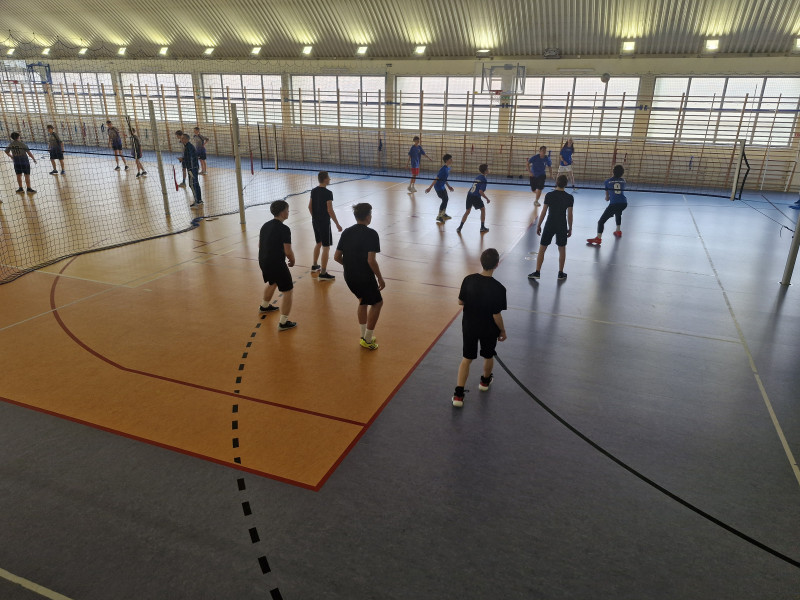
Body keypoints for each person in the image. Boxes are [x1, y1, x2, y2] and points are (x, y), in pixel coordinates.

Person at [452, 248, 507, 408]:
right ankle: (485, 381)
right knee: (488, 355)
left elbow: (460, 301)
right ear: (497, 264)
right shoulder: (499, 288)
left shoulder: (468, 280)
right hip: (489, 329)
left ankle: (458, 395)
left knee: (467, 358)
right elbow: (496, 315)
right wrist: (502, 331)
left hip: (469, 326)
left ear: (481, 262)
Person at [334, 203, 385, 350]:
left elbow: (336, 257)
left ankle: (364, 335)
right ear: (368, 217)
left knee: (363, 301)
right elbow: (371, 260)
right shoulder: (372, 234)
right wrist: (380, 278)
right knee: (377, 303)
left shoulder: (346, 232)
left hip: (349, 276)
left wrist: (350, 266)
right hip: (364, 276)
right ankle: (368, 339)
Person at [258, 200, 297, 331]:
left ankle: (264, 306)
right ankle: (283, 322)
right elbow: (288, 251)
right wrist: (292, 260)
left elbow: (260, 245)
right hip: (276, 263)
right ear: (282, 212)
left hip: (263, 260)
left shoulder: (265, 225)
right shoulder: (284, 229)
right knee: (288, 290)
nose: (288, 212)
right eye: (287, 210)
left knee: (273, 281)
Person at [528, 174, 574, 281]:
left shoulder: (549, 195)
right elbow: (570, 215)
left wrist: (539, 225)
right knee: (562, 249)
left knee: (542, 248)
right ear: (566, 184)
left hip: (550, 224)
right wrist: (570, 228)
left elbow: (543, 212)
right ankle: (561, 273)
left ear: (556, 182)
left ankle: (537, 272)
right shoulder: (569, 197)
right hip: (562, 224)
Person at [308, 171, 342, 281]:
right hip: (324, 223)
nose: (330, 179)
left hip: (315, 221)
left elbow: (309, 207)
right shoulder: (328, 193)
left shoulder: (313, 190)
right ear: (325, 179)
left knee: (318, 243)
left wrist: (315, 217)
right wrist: (337, 224)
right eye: (329, 177)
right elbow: (330, 210)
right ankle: (323, 273)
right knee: (326, 247)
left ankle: (314, 266)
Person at [588, 165, 627, 245]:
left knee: (601, 221)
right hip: (624, 203)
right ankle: (618, 230)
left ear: (613, 171)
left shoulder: (607, 181)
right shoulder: (623, 181)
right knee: (618, 212)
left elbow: (607, 198)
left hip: (614, 204)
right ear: (622, 173)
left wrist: (608, 197)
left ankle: (598, 238)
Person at [456, 164, 491, 234]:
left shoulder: (478, 177)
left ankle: (460, 227)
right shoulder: (484, 179)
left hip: (469, 195)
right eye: (488, 169)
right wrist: (487, 199)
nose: (489, 170)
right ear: (485, 171)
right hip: (475, 196)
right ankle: (482, 227)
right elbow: (480, 191)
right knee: (483, 209)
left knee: (467, 211)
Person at [425, 154, 455, 223]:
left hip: (442, 186)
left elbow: (444, 179)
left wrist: (448, 186)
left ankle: (443, 214)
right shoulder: (443, 169)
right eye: (450, 159)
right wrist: (430, 188)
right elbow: (436, 178)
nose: (452, 160)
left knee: (446, 199)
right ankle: (439, 216)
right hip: (438, 187)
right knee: (444, 200)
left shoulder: (448, 168)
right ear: (447, 160)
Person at [178, 133, 202, 206]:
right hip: (193, 167)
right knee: (195, 183)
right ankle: (199, 200)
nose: (181, 139)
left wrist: (183, 160)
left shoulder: (189, 147)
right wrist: (183, 159)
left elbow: (190, 158)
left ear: (186, 139)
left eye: (182, 138)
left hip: (192, 168)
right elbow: (189, 157)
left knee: (192, 184)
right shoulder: (187, 146)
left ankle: (197, 201)